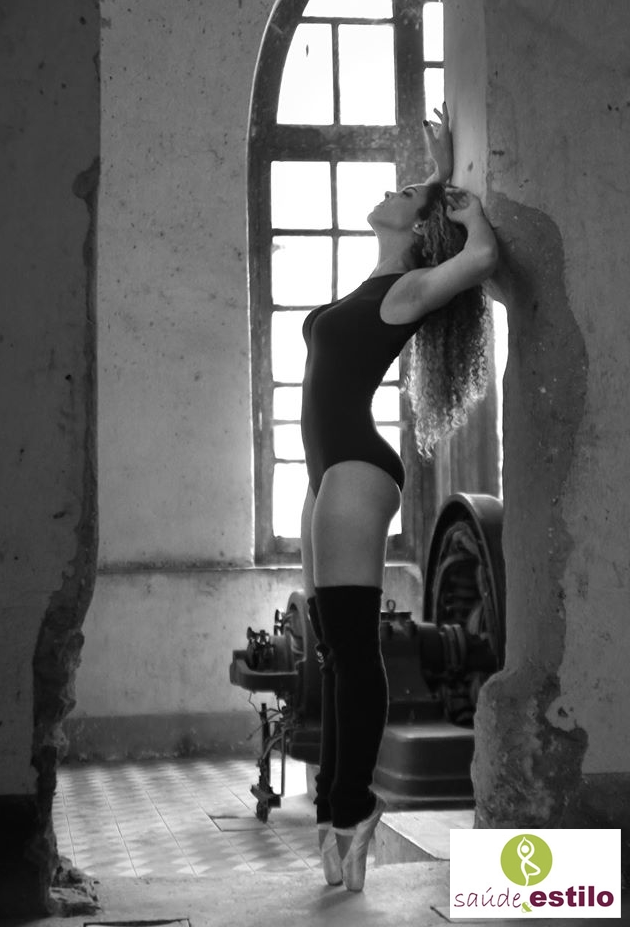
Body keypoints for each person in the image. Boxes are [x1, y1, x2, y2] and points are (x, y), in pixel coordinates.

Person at [299, 102, 499, 892]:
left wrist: (466, 212)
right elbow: (429, 212)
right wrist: (440, 170)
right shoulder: (379, 282)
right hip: (328, 475)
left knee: (354, 651)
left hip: (355, 468)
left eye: (407, 193)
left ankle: (355, 810)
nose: (394, 190)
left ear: (418, 230)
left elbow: (479, 259)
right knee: (332, 649)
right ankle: (333, 809)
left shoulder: (409, 289)